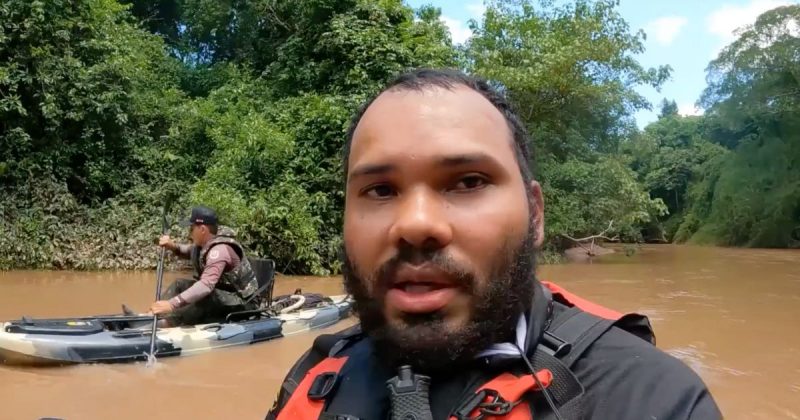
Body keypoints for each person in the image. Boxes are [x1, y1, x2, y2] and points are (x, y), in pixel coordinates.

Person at [264, 68, 722, 420]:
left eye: (467, 181)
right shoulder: (317, 373)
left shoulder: (652, 400)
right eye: (380, 190)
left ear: (535, 214)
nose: (416, 224)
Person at [145, 205, 261, 327]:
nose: (189, 233)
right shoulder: (203, 245)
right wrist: (172, 246)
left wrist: (173, 304)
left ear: (202, 229)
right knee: (179, 284)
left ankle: (166, 324)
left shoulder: (220, 250)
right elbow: (186, 251)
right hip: (223, 296)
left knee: (204, 296)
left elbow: (206, 285)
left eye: (191, 228)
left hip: (243, 302)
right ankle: (151, 315)